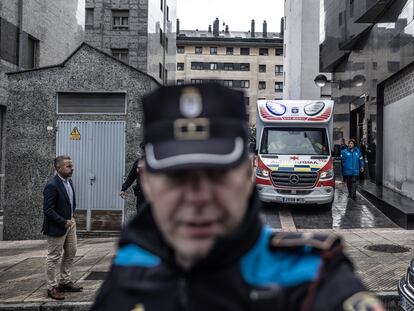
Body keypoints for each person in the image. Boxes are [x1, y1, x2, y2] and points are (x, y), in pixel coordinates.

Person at [92, 83, 383, 310]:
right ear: (148, 183)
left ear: (247, 175)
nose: (198, 198)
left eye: (217, 175)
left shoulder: (311, 275)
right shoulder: (128, 272)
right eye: (176, 178)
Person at [42, 155, 83, 300]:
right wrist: (63, 221)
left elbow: (68, 201)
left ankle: (65, 281)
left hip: (70, 223)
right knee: (53, 257)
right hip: (57, 226)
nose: (72, 168)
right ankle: (51, 287)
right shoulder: (52, 185)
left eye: (71, 165)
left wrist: (72, 215)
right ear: (58, 168)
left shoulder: (68, 181)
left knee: (71, 252)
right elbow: (48, 209)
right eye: (68, 166)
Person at [119, 142, 146, 213]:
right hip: (141, 193)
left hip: (153, 194)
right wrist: (123, 189)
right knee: (141, 213)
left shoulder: (155, 163)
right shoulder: (138, 162)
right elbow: (131, 176)